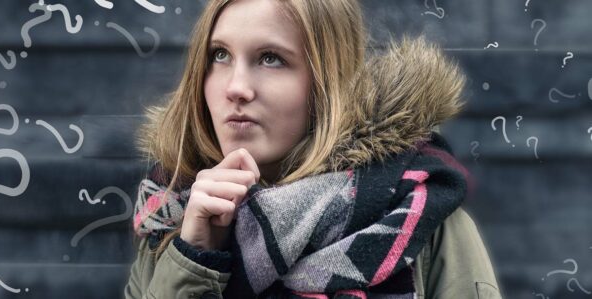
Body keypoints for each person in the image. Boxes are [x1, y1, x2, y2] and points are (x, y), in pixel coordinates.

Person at [125, 0, 502, 298]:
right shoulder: (174, 223)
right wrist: (194, 260)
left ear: (329, 82)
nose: (235, 87)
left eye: (270, 58)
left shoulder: (421, 222)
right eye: (219, 55)